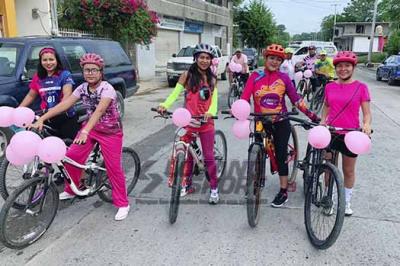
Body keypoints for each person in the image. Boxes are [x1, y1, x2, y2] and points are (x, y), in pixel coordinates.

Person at [31, 53, 130, 221]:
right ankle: (72, 189)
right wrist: (41, 118)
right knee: (71, 157)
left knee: (114, 169)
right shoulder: (82, 88)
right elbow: (64, 104)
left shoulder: (107, 88)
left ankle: (123, 203)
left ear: (100, 71)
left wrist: (84, 132)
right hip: (91, 129)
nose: (90, 73)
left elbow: (99, 111)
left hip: (111, 132)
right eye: (86, 70)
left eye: (93, 70)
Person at [241, 44, 319, 208]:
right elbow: (244, 98)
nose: (274, 62)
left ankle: (283, 191)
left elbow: (296, 99)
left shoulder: (283, 78)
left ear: (281, 62)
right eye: (271, 58)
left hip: (280, 121)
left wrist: (312, 115)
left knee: (281, 155)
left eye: (278, 59)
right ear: (265, 58)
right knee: (254, 149)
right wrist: (238, 110)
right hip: (260, 120)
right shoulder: (255, 76)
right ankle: (254, 181)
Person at [158, 43, 219, 204]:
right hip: (189, 121)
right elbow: (175, 94)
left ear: (211, 60)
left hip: (206, 122)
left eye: (207, 58)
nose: (204, 61)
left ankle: (214, 188)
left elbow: (214, 101)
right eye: (201, 57)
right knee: (189, 155)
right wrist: (165, 105)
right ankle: (188, 184)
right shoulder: (186, 75)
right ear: (196, 58)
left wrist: (210, 113)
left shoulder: (213, 78)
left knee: (208, 156)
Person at [321, 51, 372, 216]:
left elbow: (367, 112)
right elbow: (327, 106)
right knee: (329, 168)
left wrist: (366, 124)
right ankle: (328, 198)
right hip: (331, 132)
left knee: (348, 170)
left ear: (353, 67)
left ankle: (347, 201)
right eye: (340, 66)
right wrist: (323, 121)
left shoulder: (361, 87)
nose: (343, 69)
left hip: (351, 135)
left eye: (347, 65)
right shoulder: (329, 86)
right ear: (335, 68)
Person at [20, 47, 80, 140]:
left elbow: (67, 95)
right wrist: (18, 110)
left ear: (57, 60)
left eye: (51, 59)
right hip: (47, 119)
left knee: (68, 148)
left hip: (66, 118)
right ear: (41, 62)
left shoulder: (64, 75)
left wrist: (57, 110)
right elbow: (31, 95)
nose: (48, 63)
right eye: (45, 60)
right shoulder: (38, 77)